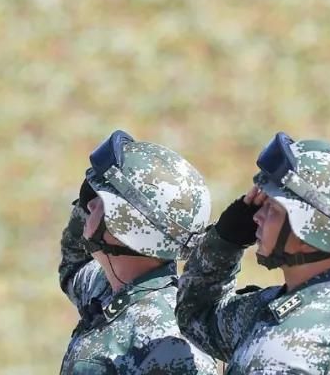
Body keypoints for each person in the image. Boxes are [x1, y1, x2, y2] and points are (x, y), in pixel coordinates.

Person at [176, 133, 330, 374]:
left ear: (311, 233)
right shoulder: (262, 311)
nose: (256, 216)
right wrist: (225, 242)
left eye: (272, 209)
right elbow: (195, 316)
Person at [58, 129, 219, 375]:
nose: (89, 204)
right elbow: (73, 265)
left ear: (127, 227)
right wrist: (88, 203)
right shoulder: (108, 286)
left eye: (101, 200)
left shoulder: (171, 344)